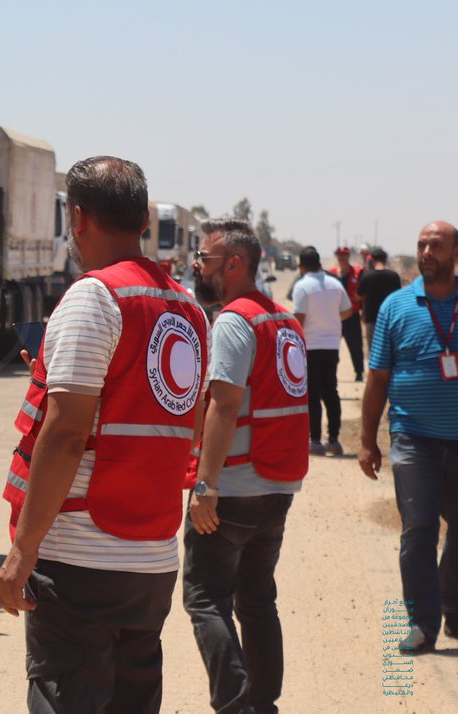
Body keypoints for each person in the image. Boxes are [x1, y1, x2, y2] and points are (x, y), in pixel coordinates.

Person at [0, 156, 209, 714]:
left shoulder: (95, 297)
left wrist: (23, 551)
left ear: (77, 216)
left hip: (80, 558)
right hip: (152, 559)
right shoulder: (189, 309)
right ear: (143, 219)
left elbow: (66, 434)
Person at [183, 220, 309, 714]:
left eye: (205, 258)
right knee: (257, 600)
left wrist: (205, 484)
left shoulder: (235, 321)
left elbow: (225, 404)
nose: (198, 266)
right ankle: (263, 704)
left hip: (233, 488)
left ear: (234, 265)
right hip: (277, 486)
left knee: (204, 598)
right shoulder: (283, 321)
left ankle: (235, 706)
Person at [358, 220, 458, 655]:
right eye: (421, 245)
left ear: (455, 251)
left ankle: (451, 603)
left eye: (436, 244)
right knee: (417, 530)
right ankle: (421, 624)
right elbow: (377, 378)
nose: (427, 251)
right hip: (412, 437)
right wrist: (367, 439)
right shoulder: (396, 306)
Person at [291, 246, 352, 456]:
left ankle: (315, 440)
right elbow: (347, 311)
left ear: (301, 265)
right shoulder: (335, 283)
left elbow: (298, 317)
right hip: (332, 345)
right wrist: (330, 320)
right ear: (319, 263)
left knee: (312, 394)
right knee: (331, 392)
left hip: (310, 345)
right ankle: (334, 440)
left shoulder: (302, 286)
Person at [329, 247, 365, 381]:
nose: (342, 258)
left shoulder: (356, 273)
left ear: (348, 256)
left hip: (352, 315)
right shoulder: (331, 273)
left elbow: (363, 294)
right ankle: (330, 373)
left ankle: (359, 372)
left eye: (344, 255)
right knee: (331, 347)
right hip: (334, 316)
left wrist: (363, 310)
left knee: (355, 346)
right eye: (339, 255)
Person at [356, 247, 403, 352]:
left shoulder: (367, 276)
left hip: (371, 319)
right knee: (389, 350)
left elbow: (358, 296)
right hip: (390, 319)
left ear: (372, 261)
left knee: (373, 350)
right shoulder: (394, 276)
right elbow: (399, 298)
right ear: (385, 260)